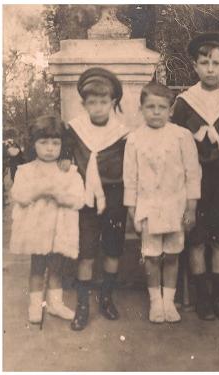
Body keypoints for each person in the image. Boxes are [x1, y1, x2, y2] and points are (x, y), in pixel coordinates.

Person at [171, 33, 219, 321]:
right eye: (204, 63)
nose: (210, 69)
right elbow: (175, 142)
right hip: (194, 181)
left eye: (217, 63)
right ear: (194, 66)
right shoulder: (185, 102)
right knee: (196, 238)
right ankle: (202, 297)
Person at [123, 82, 201, 323]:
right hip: (148, 208)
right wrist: (132, 210)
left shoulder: (182, 136)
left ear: (170, 110)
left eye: (162, 107)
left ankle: (169, 302)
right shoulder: (134, 139)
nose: (156, 112)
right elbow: (130, 178)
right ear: (141, 109)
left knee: (172, 256)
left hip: (175, 207)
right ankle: (155, 302)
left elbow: (192, 173)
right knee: (152, 256)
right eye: (150, 107)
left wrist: (191, 207)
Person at [62, 67, 130, 331]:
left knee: (113, 248)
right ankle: (82, 305)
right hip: (85, 199)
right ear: (84, 103)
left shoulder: (123, 134)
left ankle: (106, 297)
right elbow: (64, 158)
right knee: (86, 251)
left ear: (113, 102)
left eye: (104, 102)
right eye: (93, 102)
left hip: (114, 197)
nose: (99, 107)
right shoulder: (75, 130)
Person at [10, 115, 85, 324]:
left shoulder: (69, 171)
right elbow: (19, 195)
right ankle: (35, 304)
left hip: (60, 229)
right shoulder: (26, 170)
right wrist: (39, 190)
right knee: (37, 267)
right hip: (37, 230)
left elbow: (79, 199)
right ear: (34, 144)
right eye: (43, 143)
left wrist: (60, 195)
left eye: (55, 143)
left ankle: (55, 303)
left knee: (56, 268)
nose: (50, 148)